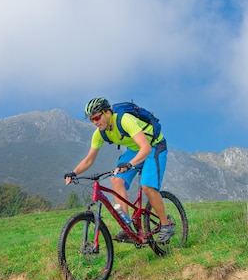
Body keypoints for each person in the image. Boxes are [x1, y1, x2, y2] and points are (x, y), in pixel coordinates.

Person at [64, 97, 174, 243]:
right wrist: (74, 172)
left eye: (97, 117)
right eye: (92, 120)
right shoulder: (100, 133)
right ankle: (127, 226)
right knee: (116, 180)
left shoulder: (124, 120)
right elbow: (89, 159)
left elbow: (146, 148)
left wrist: (130, 164)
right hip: (135, 149)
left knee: (147, 186)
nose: (95, 122)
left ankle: (166, 226)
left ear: (108, 112)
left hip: (154, 146)